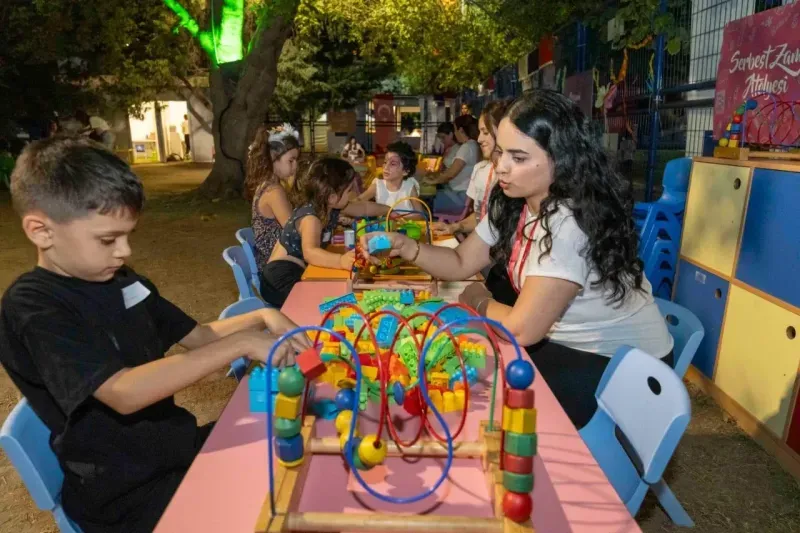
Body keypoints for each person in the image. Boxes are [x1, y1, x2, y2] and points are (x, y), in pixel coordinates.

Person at [0, 136, 309, 533]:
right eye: (108, 239)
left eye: (128, 234)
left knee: (298, 451)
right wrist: (243, 343)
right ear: (42, 231)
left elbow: (198, 336)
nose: (124, 251)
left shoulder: (125, 282)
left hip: (172, 452)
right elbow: (123, 392)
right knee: (281, 508)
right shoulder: (33, 306)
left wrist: (263, 316)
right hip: (125, 493)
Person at [360, 90, 673, 430]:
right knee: (467, 370)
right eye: (500, 152)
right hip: (569, 346)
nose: (502, 166)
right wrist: (406, 247)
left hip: (622, 373)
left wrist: (479, 301)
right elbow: (461, 263)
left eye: (519, 157)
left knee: (489, 401)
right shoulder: (513, 200)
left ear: (561, 158)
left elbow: (522, 329)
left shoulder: (569, 223)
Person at [259, 158, 390, 307]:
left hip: (298, 271)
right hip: (280, 278)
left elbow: (364, 208)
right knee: (323, 303)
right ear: (332, 197)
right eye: (348, 190)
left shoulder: (332, 207)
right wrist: (340, 261)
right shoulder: (311, 218)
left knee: (334, 296)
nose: (352, 194)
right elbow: (310, 252)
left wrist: (390, 210)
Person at [433, 100, 509, 236]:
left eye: (485, 132)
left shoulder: (517, 177)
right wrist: (455, 227)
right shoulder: (480, 170)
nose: (479, 139)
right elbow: (480, 217)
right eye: (479, 132)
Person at [243, 123, 301, 273]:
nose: (295, 167)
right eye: (291, 160)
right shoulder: (274, 191)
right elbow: (294, 231)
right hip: (277, 271)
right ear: (273, 158)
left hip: (275, 264)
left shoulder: (267, 186)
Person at [424, 114, 481, 214]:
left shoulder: (467, 147)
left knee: (423, 202)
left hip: (459, 198)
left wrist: (432, 181)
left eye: (455, 130)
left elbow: (450, 173)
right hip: (462, 196)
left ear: (461, 130)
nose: (455, 133)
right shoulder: (473, 145)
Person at [357, 141, 420, 215]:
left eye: (393, 164)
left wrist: (398, 219)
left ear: (405, 171)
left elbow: (420, 214)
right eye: (385, 162)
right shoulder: (378, 185)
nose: (386, 167)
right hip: (385, 226)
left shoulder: (409, 186)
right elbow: (359, 200)